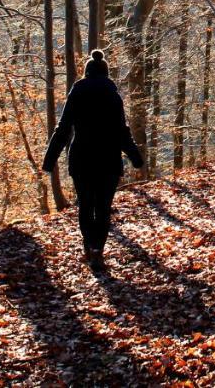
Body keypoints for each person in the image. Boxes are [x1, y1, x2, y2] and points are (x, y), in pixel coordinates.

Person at [42, 49, 144, 271]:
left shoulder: (77, 92)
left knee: (86, 205)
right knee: (104, 208)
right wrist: (135, 158)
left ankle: (89, 246)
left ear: (87, 72)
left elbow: (64, 128)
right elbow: (122, 130)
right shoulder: (112, 94)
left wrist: (49, 160)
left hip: (82, 159)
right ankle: (98, 249)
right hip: (108, 159)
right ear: (106, 73)